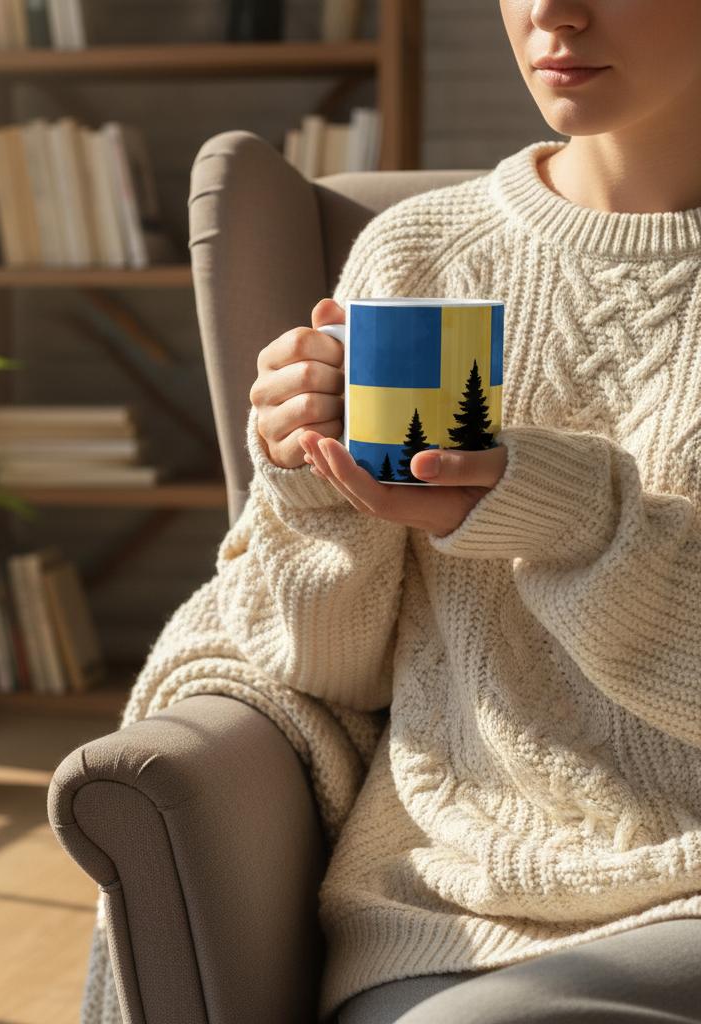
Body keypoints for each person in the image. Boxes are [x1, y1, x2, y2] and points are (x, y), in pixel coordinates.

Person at [242, 0, 701, 1020]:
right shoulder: (413, 257)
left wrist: (565, 510)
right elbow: (325, 671)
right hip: (441, 916)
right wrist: (312, 477)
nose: (550, 10)